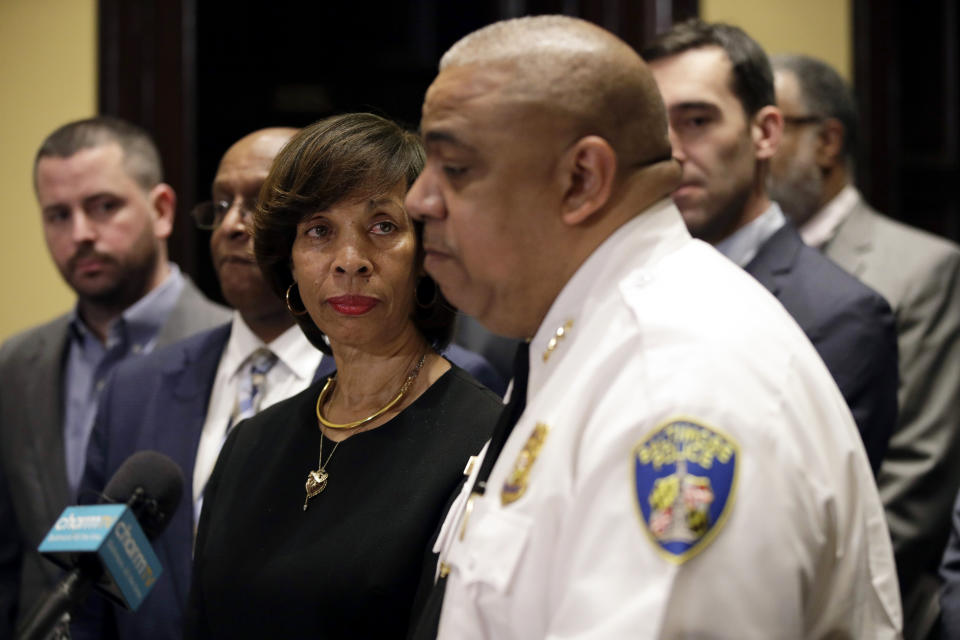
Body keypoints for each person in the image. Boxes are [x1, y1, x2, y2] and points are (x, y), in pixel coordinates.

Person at [403, 14, 901, 638]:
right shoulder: (588, 334)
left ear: (582, 180)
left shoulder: (675, 380)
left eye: (456, 168)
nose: (419, 201)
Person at [184, 113, 502, 638]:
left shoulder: (484, 439)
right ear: (288, 261)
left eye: (383, 226)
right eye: (319, 231)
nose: (350, 261)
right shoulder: (250, 444)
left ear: (426, 253)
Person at [0, 116, 229, 634]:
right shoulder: (16, 364)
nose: (80, 233)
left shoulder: (235, 349)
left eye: (104, 207)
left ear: (162, 210)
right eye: (58, 215)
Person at [642, 20, 899, 473]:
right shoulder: (625, 287)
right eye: (657, 127)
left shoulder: (838, 315)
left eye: (697, 121)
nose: (673, 151)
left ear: (765, 133)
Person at [768, 55, 960, 636]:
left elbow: (916, 476)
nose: (755, 145)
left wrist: (807, 608)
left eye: (773, 125)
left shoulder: (921, 266)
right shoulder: (724, 267)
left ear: (827, 142)